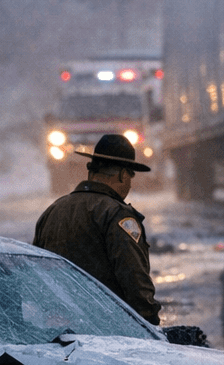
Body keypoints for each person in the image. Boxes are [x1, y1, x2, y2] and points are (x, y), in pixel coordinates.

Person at [34, 133, 160, 324]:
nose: (129, 184)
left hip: (57, 330)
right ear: (122, 174)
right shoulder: (117, 214)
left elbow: (37, 275)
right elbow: (135, 279)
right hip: (105, 330)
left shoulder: (52, 211)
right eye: (130, 177)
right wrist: (150, 322)